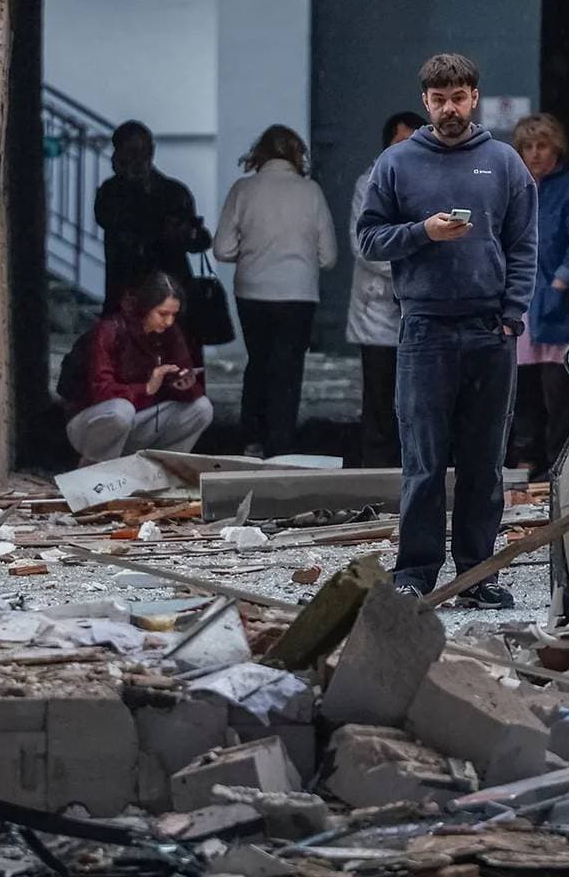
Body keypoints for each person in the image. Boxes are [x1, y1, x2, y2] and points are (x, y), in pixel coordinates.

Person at [357, 53, 537, 608]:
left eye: (459, 98)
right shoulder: (396, 164)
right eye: (439, 101)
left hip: (490, 331)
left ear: (475, 97)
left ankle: (478, 575)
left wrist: (511, 317)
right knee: (424, 461)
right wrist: (422, 232)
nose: (450, 109)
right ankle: (415, 572)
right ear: (425, 102)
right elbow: (368, 241)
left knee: (484, 464)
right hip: (425, 330)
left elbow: (524, 245)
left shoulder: (504, 163)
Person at [213, 125, 337, 457]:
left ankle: (251, 437)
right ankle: (281, 443)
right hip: (298, 293)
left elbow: (222, 249)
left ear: (260, 154)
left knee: (258, 363)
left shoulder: (243, 190)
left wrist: (253, 252)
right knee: (289, 369)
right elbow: (328, 257)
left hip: (252, 291)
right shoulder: (311, 192)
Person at [508, 113, 569, 479]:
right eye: (527, 147)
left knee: (559, 391)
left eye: (542, 146)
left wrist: (564, 278)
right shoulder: (515, 187)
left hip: (559, 302)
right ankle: (525, 459)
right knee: (520, 388)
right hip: (522, 301)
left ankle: (558, 462)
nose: (535, 154)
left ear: (555, 148)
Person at [64, 272, 213, 463]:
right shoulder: (110, 330)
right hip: (92, 424)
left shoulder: (170, 333)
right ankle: (96, 469)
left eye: (173, 315)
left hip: (142, 421)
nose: (169, 321)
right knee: (121, 411)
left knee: (202, 408)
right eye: (162, 314)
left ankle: (161, 469)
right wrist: (147, 388)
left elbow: (182, 377)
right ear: (145, 308)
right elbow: (100, 391)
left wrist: (184, 385)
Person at [346, 111, 424, 467]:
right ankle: (377, 470)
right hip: (378, 309)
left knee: (418, 397)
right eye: (399, 143)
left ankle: (413, 467)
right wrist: (411, 266)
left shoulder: (432, 177)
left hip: (422, 308)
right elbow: (365, 245)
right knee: (379, 396)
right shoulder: (370, 183)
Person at [93, 120, 212, 310]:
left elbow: (199, 241)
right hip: (128, 292)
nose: (139, 159)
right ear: (119, 154)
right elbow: (111, 220)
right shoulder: (111, 192)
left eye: (144, 151)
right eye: (131, 152)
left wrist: (189, 233)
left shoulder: (175, 192)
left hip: (169, 292)